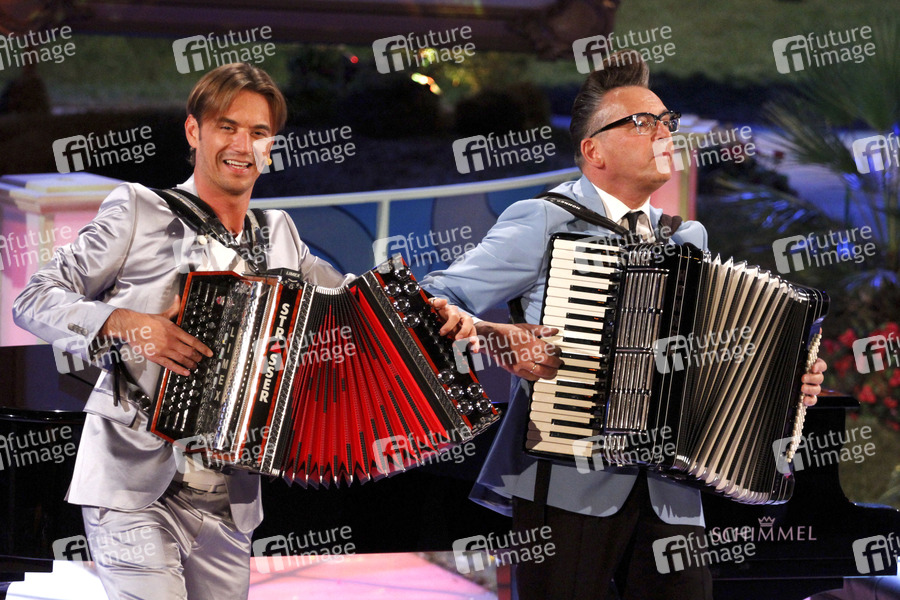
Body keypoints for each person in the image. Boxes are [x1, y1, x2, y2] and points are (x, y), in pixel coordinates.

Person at [13, 62, 475, 600]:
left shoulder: (279, 232)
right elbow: (34, 298)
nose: (242, 144)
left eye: (258, 132)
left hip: (229, 502)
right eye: (227, 127)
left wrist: (454, 318)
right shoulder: (137, 209)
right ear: (194, 131)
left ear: (271, 147)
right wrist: (129, 324)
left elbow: (358, 304)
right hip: (132, 488)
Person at [420, 50, 827, 600]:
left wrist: (785, 380)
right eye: (641, 122)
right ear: (594, 150)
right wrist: (495, 337)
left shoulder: (687, 238)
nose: (663, 133)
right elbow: (436, 298)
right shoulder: (544, 219)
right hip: (567, 481)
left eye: (667, 121)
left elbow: (712, 359)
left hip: (673, 491)